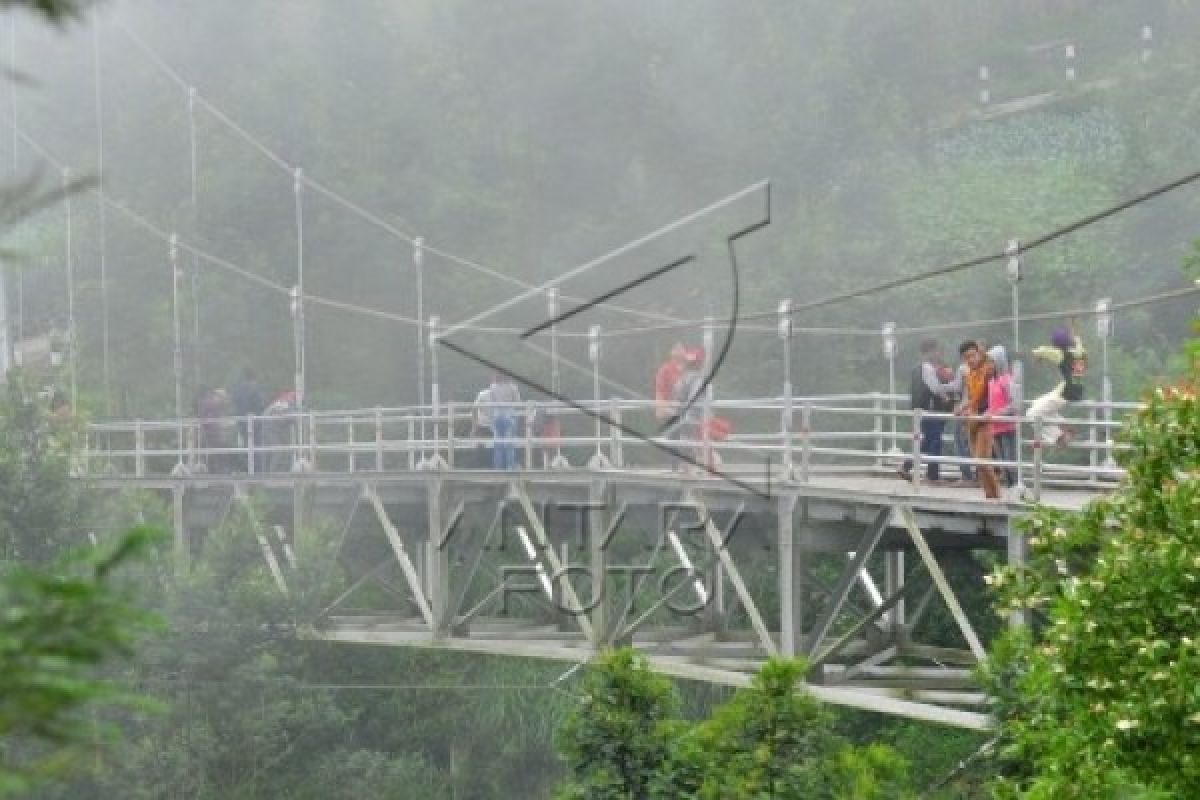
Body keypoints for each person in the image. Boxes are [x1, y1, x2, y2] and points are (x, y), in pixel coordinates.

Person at [900, 339, 956, 483]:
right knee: (934, 441)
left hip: (920, 410)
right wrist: (947, 397)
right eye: (937, 350)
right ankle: (932, 475)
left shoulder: (916, 369)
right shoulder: (928, 368)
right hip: (930, 409)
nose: (939, 354)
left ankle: (906, 466)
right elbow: (935, 388)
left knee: (926, 442)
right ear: (930, 351)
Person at [1029, 326, 1087, 447]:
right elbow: (1078, 341)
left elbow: (1042, 350)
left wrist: (1037, 355)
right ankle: (1064, 425)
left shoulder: (1061, 354)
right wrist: (1076, 338)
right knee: (1036, 403)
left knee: (1032, 414)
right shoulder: (1080, 352)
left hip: (1064, 393)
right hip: (1076, 391)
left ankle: (1059, 436)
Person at [957, 341, 999, 499]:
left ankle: (995, 495)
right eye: (966, 357)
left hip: (985, 419)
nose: (970, 359)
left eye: (973, 355)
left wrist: (984, 352)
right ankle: (989, 495)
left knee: (982, 460)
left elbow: (997, 358)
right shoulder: (969, 375)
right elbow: (971, 397)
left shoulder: (987, 370)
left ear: (979, 354)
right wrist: (962, 407)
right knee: (977, 461)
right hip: (973, 418)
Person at [986, 345, 1018, 488]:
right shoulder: (992, 381)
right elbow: (992, 404)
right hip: (995, 427)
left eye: (992, 361)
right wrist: (987, 414)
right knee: (1001, 459)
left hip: (1007, 426)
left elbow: (1014, 404)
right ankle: (1009, 485)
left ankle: (1016, 485)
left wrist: (998, 414)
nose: (990, 365)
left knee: (1009, 458)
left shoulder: (1007, 380)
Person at [231, 367, 267, 472]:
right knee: (256, 446)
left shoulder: (238, 389)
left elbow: (234, 403)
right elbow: (261, 404)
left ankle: (246, 468)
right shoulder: (256, 388)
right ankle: (257, 471)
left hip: (241, 421)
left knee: (246, 446)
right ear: (254, 377)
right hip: (255, 422)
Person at [488, 373, 521, 470]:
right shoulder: (512, 387)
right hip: (509, 415)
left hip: (497, 415)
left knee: (498, 443)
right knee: (509, 442)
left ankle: (498, 467)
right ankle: (510, 466)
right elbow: (518, 402)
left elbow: (491, 402)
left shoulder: (492, 386)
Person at [654, 343, 688, 424]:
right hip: (670, 412)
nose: (679, 352)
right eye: (676, 349)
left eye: (681, 349)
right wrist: (662, 409)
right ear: (672, 352)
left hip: (687, 412)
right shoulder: (665, 369)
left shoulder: (689, 369)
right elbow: (660, 391)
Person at [470, 384, 494, 468]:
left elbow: (474, 409)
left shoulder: (500, 394)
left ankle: (490, 468)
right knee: (479, 447)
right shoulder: (483, 394)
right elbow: (474, 409)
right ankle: (479, 467)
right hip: (482, 424)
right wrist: (474, 426)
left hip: (495, 425)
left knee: (493, 448)